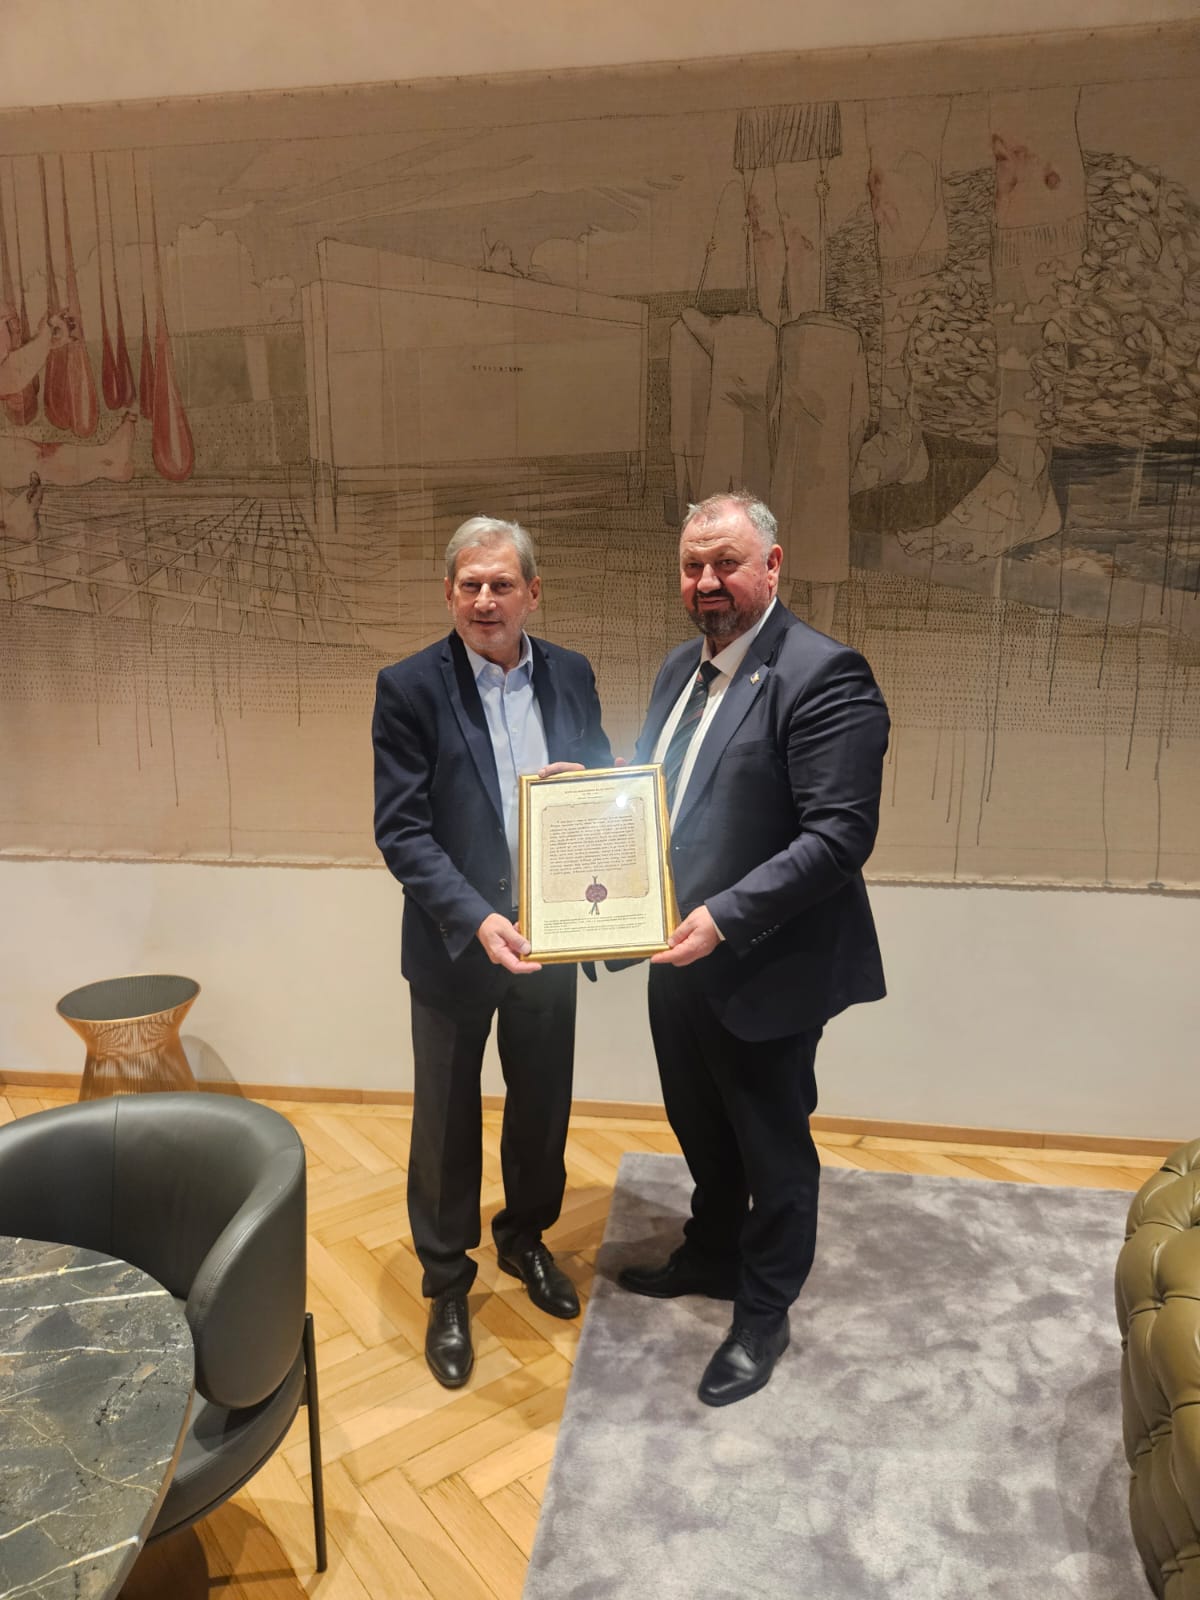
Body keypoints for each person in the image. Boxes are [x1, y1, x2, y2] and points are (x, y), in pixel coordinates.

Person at [618, 490, 889, 1405]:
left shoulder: (826, 674)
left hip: (764, 963)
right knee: (699, 1125)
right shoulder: (678, 670)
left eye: (725, 563)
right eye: (693, 565)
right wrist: (595, 800)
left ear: (772, 567)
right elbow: (665, 793)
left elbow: (838, 836)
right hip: (674, 957)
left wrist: (726, 917)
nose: (706, 581)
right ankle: (711, 1250)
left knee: (772, 1147)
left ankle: (764, 1309)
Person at [373, 515, 612, 1388]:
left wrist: (593, 786)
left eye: (501, 584)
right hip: (457, 941)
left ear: (532, 593)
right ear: (448, 594)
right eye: (469, 584)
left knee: (542, 1103)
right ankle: (446, 1282)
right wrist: (478, 918)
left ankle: (525, 1238)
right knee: (444, 1120)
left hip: (550, 937)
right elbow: (402, 832)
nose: (484, 599)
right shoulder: (409, 688)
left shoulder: (572, 674)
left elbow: (604, 787)